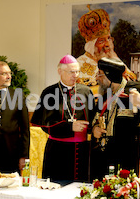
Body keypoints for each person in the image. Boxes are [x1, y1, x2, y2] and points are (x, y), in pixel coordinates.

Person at [90, 57, 140, 185]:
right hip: (105, 160)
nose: (97, 78)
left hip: (128, 162)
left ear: (110, 76)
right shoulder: (106, 96)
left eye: (100, 74)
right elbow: (95, 120)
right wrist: (94, 130)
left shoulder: (135, 91)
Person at [31, 55, 95, 184]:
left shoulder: (86, 91)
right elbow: (44, 125)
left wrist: (95, 128)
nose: (75, 75)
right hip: (57, 151)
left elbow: (94, 118)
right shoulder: (49, 92)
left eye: (77, 71)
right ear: (60, 71)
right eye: (72, 72)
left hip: (82, 150)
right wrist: (70, 127)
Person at [77, 5, 136, 87]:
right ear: (92, 45)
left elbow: (133, 81)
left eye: (109, 39)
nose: (108, 44)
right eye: (102, 41)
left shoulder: (113, 60)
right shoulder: (78, 64)